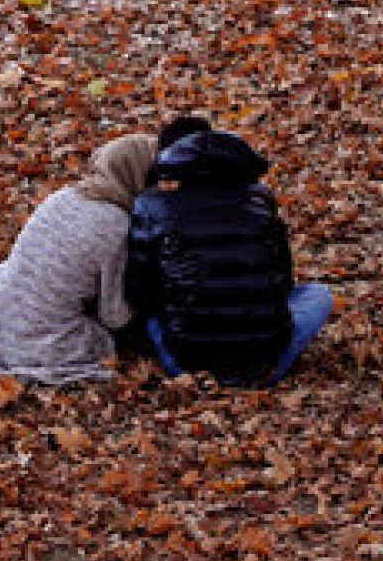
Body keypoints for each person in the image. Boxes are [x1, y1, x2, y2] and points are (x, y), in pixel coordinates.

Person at [126, 126, 332, 386]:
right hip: (265, 365)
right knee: (318, 294)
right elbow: (282, 281)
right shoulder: (260, 202)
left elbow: (138, 290)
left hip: (184, 364)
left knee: (154, 311)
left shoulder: (151, 205)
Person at [0, 133, 159, 384]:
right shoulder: (118, 226)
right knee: (104, 341)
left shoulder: (62, 197)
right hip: (44, 346)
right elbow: (115, 315)